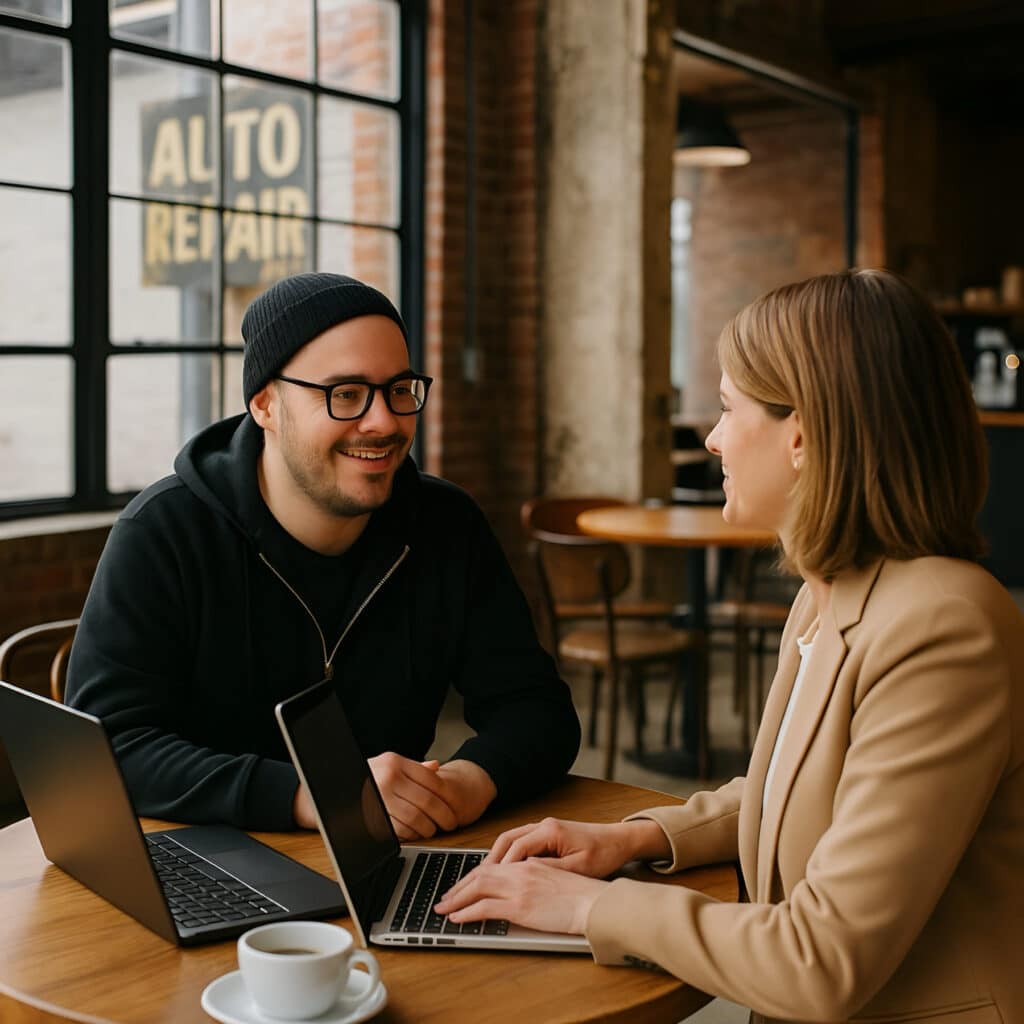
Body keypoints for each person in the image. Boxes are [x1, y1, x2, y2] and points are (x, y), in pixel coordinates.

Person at [436, 269, 1024, 1023]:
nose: (712, 438)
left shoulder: (946, 626)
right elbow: (803, 786)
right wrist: (632, 840)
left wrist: (588, 908)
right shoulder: (829, 594)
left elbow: (821, 962)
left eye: (725, 409)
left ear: (803, 434)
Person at [66, 272, 580, 839]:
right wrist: (311, 794)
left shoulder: (446, 525)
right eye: (346, 394)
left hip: (383, 867)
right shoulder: (165, 533)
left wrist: (470, 779)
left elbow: (538, 711)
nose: (383, 420)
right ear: (265, 404)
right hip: (201, 867)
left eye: (398, 389)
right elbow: (106, 746)